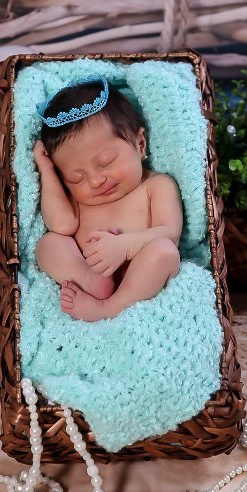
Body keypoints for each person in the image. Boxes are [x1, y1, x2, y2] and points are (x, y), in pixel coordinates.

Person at [33, 76, 183, 322]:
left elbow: (170, 233)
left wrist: (124, 247)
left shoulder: (156, 186)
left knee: (165, 251)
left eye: (107, 162)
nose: (95, 181)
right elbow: (61, 224)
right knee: (48, 244)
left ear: (140, 144)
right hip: (91, 269)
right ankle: (90, 280)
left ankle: (109, 307)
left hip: (141, 274)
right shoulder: (81, 200)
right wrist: (46, 169)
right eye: (77, 177)